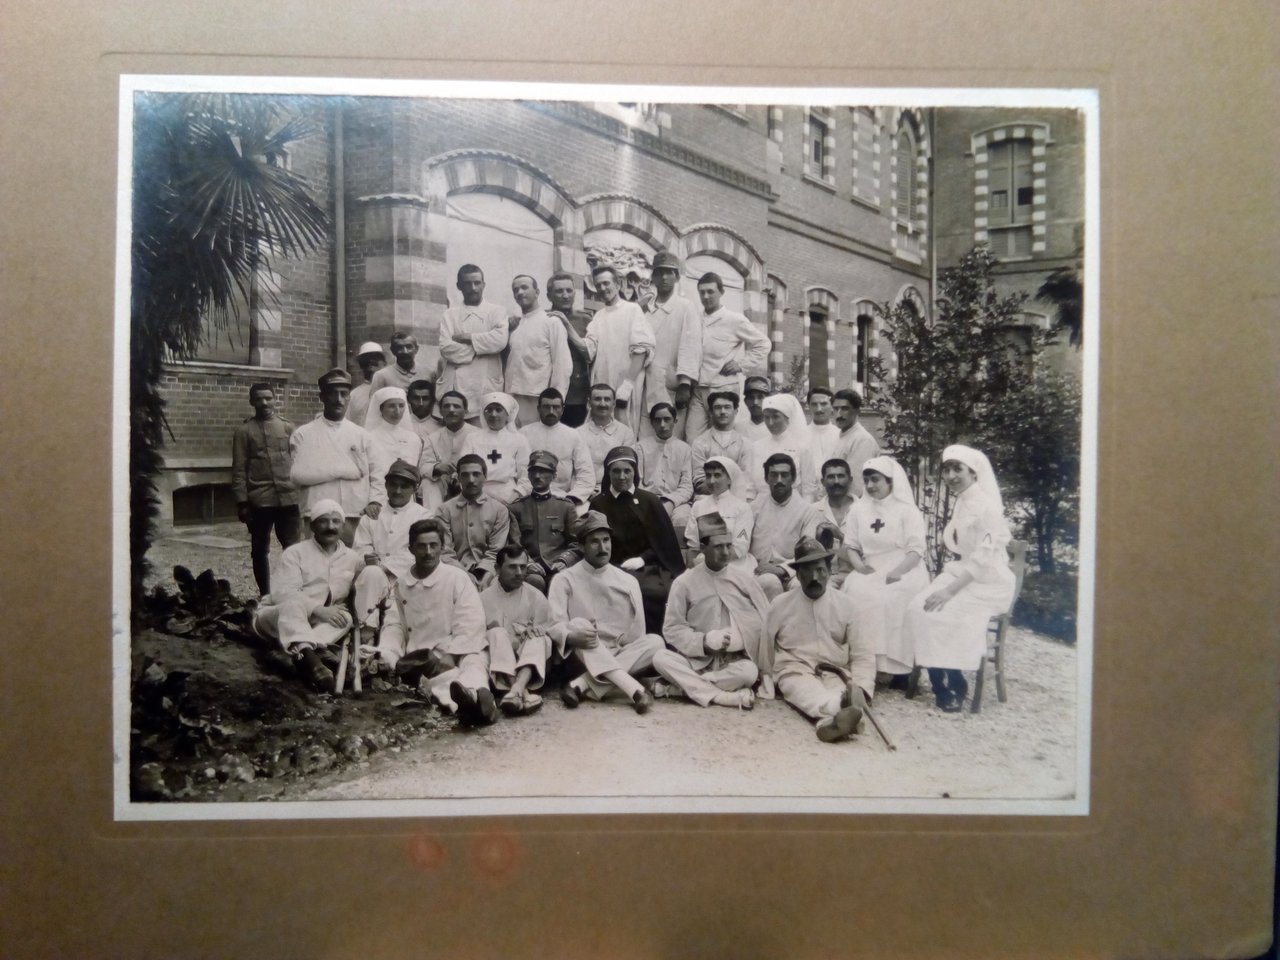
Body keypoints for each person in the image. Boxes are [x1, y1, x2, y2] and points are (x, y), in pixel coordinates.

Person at [904, 445, 1015, 713]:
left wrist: (948, 592)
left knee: (945, 611)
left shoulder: (987, 507)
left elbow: (983, 558)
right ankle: (942, 678)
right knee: (917, 608)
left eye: (958, 469)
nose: (951, 475)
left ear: (974, 472)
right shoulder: (963, 501)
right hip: (963, 573)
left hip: (987, 581)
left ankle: (951, 684)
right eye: (947, 469)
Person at [375, 518, 498, 727]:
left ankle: (478, 696)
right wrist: (388, 653)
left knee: (474, 663)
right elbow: (394, 624)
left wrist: (453, 653)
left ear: (442, 547)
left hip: (461, 646)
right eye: (422, 546)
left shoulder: (457, 578)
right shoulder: (402, 584)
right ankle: (469, 705)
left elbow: (471, 622)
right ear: (411, 548)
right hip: (425, 653)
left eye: (434, 545)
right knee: (441, 680)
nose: (429, 552)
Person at [547, 512, 663, 714]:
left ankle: (580, 686)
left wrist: (623, 649)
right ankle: (634, 689)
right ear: (581, 547)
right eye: (594, 542)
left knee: (655, 642)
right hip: (583, 653)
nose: (603, 548)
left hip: (620, 652)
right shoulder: (564, 579)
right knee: (578, 624)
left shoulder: (628, 580)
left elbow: (638, 632)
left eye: (606, 540)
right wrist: (571, 636)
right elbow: (554, 624)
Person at [653, 514, 772, 709]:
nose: (726, 552)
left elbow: (765, 619)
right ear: (702, 548)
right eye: (718, 547)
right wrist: (704, 641)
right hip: (695, 660)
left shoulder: (744, 580)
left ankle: (681, 688)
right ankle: (722, 697)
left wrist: (741, 638)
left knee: (749, 672)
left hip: (731, 662)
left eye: (728, 545)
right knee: (660, 658)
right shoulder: (684, 582)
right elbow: (672, 629)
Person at [767, 535, 876, 743]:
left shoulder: (848, 606)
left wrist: (861, 689)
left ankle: (831, 720)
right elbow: (765, 648)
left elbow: (863, 654)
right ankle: (843, 713)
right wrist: (768, 679)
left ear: (830, 571)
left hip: (837, 673)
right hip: (795, 669)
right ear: (797, 575)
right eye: (807, 573)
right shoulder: (780, 605)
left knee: (842, 692)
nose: (814, 578)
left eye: (820, 571)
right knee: (805, 693)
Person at [251, 500, 363, 690]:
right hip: (278, 616)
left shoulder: (353, 559)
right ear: (312, 526)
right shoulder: (295, 553)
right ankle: (314, 665)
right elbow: (283, 593)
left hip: (318, 623)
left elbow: (356, 592)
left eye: (336, 522)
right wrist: (317, 609)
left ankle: (300, 651)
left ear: (343, 526)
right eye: (323, 521)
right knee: (293, 606)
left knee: (345, 617)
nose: (330, 527)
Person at [840, 456, 930, 686]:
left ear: (891, 481)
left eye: (876, 480)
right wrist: (858, 566)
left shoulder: (907, 511)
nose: (870, 486)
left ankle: (898, 667)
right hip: (870, 566)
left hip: (905, 568)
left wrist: (898, 572)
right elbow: (850, 545)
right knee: (857, 594)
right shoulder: (858, 509)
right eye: (867, 480)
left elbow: (916, 550)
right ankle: (866, 664)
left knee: (891, 598)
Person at [590, 446, 687, 633]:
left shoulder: (650, 501)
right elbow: (594, 541)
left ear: (635, 473)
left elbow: (664, 544)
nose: (622, 476)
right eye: (616, 471)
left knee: (652, 593)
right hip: (610, 566)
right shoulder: (599, 503)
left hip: (648, 567)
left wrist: (642, 559)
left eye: (627, 471)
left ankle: (653, 642)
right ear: (608, 473)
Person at [288, 368, 382, 546]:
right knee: (317, 561)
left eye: (344, 394)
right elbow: (298, 476)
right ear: (322, 397)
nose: (339, 400)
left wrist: (375, 499)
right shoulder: (303, 434)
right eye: (333, 394)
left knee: (352, 562)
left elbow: (377, 472)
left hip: (353, 510)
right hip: (316, 510)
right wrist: (345, 471)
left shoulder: (362, 436)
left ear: (349, 397)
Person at [349, 459, 434, 650]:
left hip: (405, 577)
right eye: (393, 485)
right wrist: (367, 558)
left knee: (395, 617)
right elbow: (359, 548)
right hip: (373, 579)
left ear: (415, 488)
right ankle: (367, 633)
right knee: (371, 573)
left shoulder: (423, 516)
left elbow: (419, 552)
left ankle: (389, 649)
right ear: (386, 485)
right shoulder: (372, 515)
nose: (397, 491)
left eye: (404, 486)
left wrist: (384, 565)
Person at [565, 263, 656, 434]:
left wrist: (627, 385)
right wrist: (566, 325)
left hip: (624, 384)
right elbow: (588, 350)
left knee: (624, 430)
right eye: (598, 285)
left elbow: (641, 350)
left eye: (606, 283)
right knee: (599, 430)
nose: (602, 288)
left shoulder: (632, 310)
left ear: (618, 284)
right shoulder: (598, 316)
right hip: (603, 383)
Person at [231, 382, 302, 596]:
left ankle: (294, 592)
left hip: (288, 498)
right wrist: (242, 502)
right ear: (252, 402)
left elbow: (300, 462)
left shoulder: (288, 427)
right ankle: (265, 595)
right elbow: (239, 469)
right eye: (259, 399)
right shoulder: (244, 431)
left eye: (268, 398)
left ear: (274, 399)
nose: (264, 403)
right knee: (260, 550)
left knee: (293, 549)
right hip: (260, 500)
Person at [685, 272, 770, 442]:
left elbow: (764, 343)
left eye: (710, 291)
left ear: (721, 292)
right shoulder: (695, 318)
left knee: (723, 438)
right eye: (702, 292)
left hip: (723, 388)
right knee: (693, 439)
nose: (706, 296)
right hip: (699, 390)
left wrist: (741, 364)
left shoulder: (734, 319)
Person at [479, 544, 555, 716]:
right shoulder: (482, 599)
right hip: (497, 665)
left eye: (523, 566)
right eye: (512, 567)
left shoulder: (535, 596)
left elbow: (549, 626)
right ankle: (523, 693)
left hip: (529, 665)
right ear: (497, 569)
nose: (519, 572)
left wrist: (535, 630)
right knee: (495, 633)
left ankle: (516, 690)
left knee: (538, 637)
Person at [638, 250, 701, 439]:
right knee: (646, 437)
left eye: (669, 273)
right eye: (659, 273)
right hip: (646, 384)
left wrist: (685, 385)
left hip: (671, 387)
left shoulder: (685, 307)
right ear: (653, 278)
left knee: (672, 439)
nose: (664, 277)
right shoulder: (644, 309)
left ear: (676, 277)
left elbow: (690, 346)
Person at [438, 264, 510, 418]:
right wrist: (483, 348)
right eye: (467, 284)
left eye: (477, 283)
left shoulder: (497, 311)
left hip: (486, 383)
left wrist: (468, 338)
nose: (473, 288)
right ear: (459, 286)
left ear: (483, 284)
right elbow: (446, 348)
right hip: (458, 384)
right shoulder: (450, 315)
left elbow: (500, 341)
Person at [749, 452, 824, 600]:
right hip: (759, 570)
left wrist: (782, 569)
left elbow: (807, 552)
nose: (779, 480)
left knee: (800, 585)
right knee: (769, 582)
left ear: (794, 479)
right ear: (766, 478)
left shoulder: (807, 511)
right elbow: (742, 540)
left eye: (784, 475)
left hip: (794, 570)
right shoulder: (753, 508)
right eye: (774, 475)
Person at [506, 450, 582, 593]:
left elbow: (576, 543)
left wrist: (564, 561)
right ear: (528, 475)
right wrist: (527, 562)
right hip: (529, 568)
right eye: (533, 471)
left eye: (543, 472)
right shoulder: (516, 508)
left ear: (554, 476)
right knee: (534, 582)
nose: (537, 476)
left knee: (559, 582)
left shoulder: (565, 507)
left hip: (558, 566)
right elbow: (514, 542)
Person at [435, 453, 511, 590]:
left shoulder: (499, 510)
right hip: (454, 570)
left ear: (485, 477)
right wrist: (463, 574)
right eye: (465, 475)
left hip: (489, 572)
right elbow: (445, 551)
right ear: (458, 478)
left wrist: (486, 576)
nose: (471, 480)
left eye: (476, 474)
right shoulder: (444, 510)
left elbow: (496, 551)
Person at [504, 274, 572, 427]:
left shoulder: (552, 322)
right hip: (513, 399)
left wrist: (554, 405)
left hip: (538, 400)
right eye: (516, 290)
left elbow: (563, 367)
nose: (520, 292)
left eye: (524, 287)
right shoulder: (515, 325)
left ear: (537, 292)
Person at [518, 388, 595, 512]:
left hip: (563, 496)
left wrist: (572, 498)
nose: (551, 411)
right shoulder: (523, 434)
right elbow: (519, 470)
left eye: (556, 407)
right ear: (538, 408)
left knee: (583, 514)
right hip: (529, 495)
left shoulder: (574, 436)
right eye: (546, 407)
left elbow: (586, 474)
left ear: (562, 409)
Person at [743, 393, 820, 502]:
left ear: (787, 417)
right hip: (761, 509)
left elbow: (808, 490)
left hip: (793, 509)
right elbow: (749, 488)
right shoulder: (755, 447)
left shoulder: (802, 448)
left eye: (775, 416)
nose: (770, 422)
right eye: (766, 417)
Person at [460, 392, 531, 505]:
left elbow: (526, 475)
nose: (493, 414)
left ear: (507, 414)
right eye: (489, 410)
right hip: (476, 493)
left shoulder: (519, 439)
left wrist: (514, 496)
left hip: (508, 495)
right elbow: (463, 469)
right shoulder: (472, 438)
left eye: (498, 410)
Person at [684, 456, 754, 571]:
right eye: (708, 476)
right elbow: (693, 546)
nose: (711, 481)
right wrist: (691, 569)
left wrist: (710, 560)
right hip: (702, 566)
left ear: (729, 479)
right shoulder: (698, 506)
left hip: (734, 566)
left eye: (717, 475)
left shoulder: (742, 508)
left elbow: (740, 547)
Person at [636, 402, 695, 535]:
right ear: (651, 422)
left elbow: (687, 485)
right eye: (657, 420)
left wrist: (671, 502)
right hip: (647, 500)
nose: (662, 425)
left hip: (676, 502)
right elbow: (637, 481)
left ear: (675, 421)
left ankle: (677, 554)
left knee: (682, 518)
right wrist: (651, 501)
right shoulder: (641, 447)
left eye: (667, 419)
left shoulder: (684, 449)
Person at [545, 271, 594, 428]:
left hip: (576, 395)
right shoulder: (542, 318)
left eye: (569, 290)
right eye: (559, 291)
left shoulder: (585, 320)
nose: (565, 295)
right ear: (549, 295)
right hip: (548, 393)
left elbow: (592, 355)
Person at [418, 390, 480, 509]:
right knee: (428, 483)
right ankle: (434, 522)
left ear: (465, 411)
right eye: (446, 406)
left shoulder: (477, 434)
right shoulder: (433, 438)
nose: (451, 410)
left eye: (456, 406)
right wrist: (436, 468)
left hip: (468, 479)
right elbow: (423, 466)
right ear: (441, 411)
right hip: (442, 481)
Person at [576, 382, 637, 495]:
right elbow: (575, 471)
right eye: (597, 399)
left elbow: (627, 469)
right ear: (589, 403)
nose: (602, 404)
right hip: (585, 491)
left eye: (607, 399)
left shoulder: (625, 433)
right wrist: (586, 493)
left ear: (614, 404)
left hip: (616, 492)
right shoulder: (578, 433)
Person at [362, 386, 424, 496]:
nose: (397, 411)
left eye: (401, 405)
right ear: (381, 409)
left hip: (406, 496)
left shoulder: (414, 439)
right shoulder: (369, 437)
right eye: (391, 406)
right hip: (378, 495)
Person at [690, 390, 750, 494]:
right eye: (718, 407)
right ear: (710, 412)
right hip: (707, 497)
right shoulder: (700, 442)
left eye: (727, 407)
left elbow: (746, 477)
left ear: (735, 411)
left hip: (737, 497)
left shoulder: (745, 443)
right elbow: (699, 481)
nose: (722, 412)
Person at [815, 458, 859, 589]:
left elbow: (868, 553)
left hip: (855, 575)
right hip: (823, 575)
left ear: (850, 480)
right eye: (830, 477)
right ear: (822, 481)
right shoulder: (812, 511)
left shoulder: (864, 511)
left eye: (841, 476)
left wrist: (840, 535)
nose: (836, 482)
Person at [829, 388, 881, 497]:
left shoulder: (862, 440)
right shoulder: (840, 435)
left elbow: (856, 487)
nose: (839, 414)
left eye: (845, 409)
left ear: (857, 411)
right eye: (836, 408)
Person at [345, 341, 387, 427]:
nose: (371, 361)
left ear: (384, 363)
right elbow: (347, 423)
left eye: (376, 357)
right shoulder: (353, 395)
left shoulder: (391, 390)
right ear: (360, 365)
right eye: (366, 358)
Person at [405, 378, 443, 450]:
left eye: (425, 398)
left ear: (433, 400)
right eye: (416, 398)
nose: (421, 403)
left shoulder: (440, 427)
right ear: (408, 399)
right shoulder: (402, 424)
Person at [806, 386, 840, 465]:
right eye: (814, 404)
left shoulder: (840, 435)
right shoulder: (802, 435)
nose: (819, 409)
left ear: (832, 407)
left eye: (824, 404)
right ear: (809, 407)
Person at [739, 375, 772, 444]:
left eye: (760, 397)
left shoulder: (774, 427)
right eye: (751, 398)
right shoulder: (738, 428)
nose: (755, 402)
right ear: (745, 401)